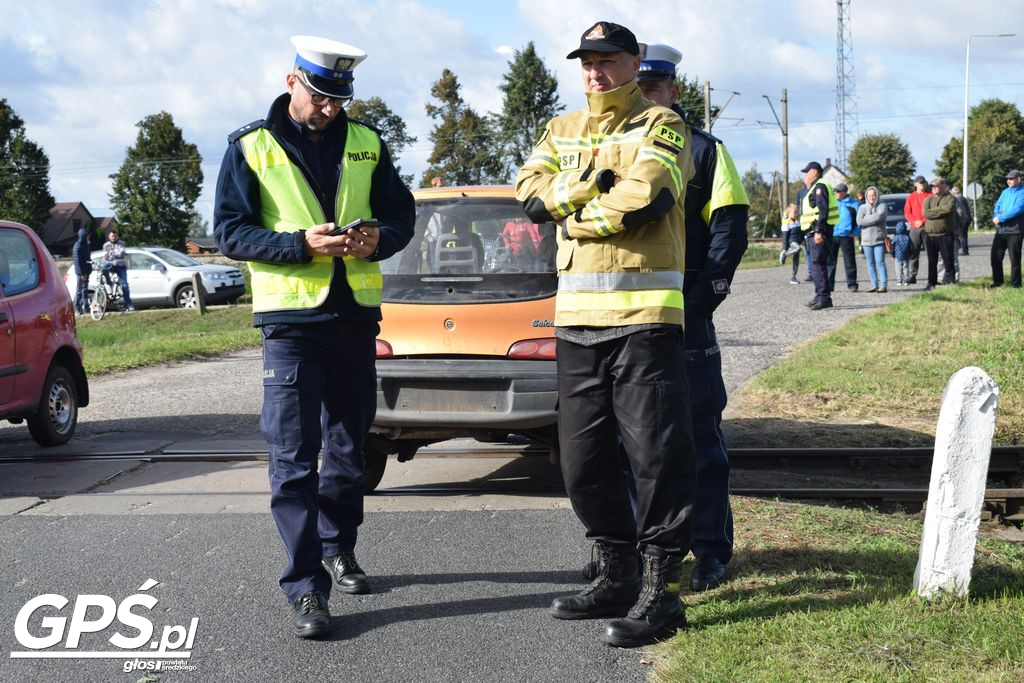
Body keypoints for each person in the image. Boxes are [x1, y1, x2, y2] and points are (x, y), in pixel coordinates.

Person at [213, 35, 414, 638]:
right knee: (294, 461)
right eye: (320, 96)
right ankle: (305, 587)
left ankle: (338, 546)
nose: (331, 109)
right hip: (291, 326)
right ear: (291, 80)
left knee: (350, 452)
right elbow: (229, 233)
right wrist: (299, 246)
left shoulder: (368, 142)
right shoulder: (249, 146)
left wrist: (379, 238)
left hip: (354, 320)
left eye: (339, 99)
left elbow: (402, 215)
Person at [515, 21, 697, 649]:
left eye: (609, 60)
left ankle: (661, 589)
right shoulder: (561, 129)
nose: (596, 72)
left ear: (634, 61)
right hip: (576, 322)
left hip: (645, 320)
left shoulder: (663, 125)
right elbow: (529, 198)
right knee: (582, 460)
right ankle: (615, 571)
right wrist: (590, 186)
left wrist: (575, 219)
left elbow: (647, 196)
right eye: (587, 62)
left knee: (656, 458)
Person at [635, 42, 749, 593]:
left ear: (674, 92)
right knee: (634, 444)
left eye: (654, 88)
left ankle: (710, 552)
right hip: (628, 317)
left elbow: (730, 226)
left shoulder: (707, 150)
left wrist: (705, 297)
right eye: (639, 88)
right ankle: (642, 555)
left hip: (685, 317)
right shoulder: (612, 146)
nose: (646, 97)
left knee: (700, 437)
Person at [799, 161, 839, 310]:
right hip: (814, 231)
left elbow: (823, 210)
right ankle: (819, 296)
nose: (805, 175)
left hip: (819, 231)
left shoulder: (820, 186)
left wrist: (819, 231)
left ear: (814, 172)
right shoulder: (815, 187)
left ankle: (824, 298)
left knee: (818, 264)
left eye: (807, 172)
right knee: (816, 264)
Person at [990, 169, 1024, 288]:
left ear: (1018, 179)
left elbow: (1017, 209)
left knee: (1015, 260)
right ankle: (997, 282)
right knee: (995, 257)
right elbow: (997, 206)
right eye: (1007, 179)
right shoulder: (1005, 192)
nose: (1008, 181)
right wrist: (996, 216)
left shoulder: (1022, 192)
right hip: (1001, 230)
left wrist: (1001, 217)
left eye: (1011, 179)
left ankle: (1015, 284)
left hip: (1015, 230)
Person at [921, 177, 956, 291]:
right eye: (932, 186)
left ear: (943, 186)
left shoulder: (950, 198)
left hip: (945, 234)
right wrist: (939, 211)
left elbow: (948, 210)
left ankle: (950, 280)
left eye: (936, 186)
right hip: (930, 235)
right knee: (932, 261)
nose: (934, 188)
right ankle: (931, 282)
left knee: (948, 259)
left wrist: (933, 211)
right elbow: (926, 213)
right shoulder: (928, 199)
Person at [828, 182, 859, 292]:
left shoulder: (853, 203)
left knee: (849, 261)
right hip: (832, 235)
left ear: (845, 192)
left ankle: (852, 285)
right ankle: (829, 285)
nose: (836, 193)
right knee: (830, 261)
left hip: (846, 235)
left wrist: (854, 232)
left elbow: (858, 220)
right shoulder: (832, 203)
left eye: (838, 191)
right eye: (835, 191)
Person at [857, 187, 888, 293]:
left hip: (879, 239)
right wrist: (872, 219)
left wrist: (866, 219)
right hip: (866, 241)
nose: (872, 197)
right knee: (870, 264)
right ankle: (874, 285)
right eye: (869, 195)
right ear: (866, 196)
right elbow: (859, 221)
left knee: (880, 262)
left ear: (877, 195)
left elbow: (879, 217)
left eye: (873, 195)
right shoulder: (862, 208)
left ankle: (883, 285)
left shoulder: (882, 206)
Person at [902, 175, 930, 285]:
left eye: (923, 182)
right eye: (919, 182)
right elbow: (907, 212)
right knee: (913, 252)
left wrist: (922, 221)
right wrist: (914, 222)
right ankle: (912, 275)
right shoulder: (911, 197)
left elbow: (931, 211)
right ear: (915, 184)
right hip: (915, 228)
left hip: (927, 227)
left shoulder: (930, 196)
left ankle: (932, 275)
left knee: (931, 253)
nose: (921, 184)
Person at [100, 230, 134, 312]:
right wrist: (114, 254)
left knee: (125, 285)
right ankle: (109, 282)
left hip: (120, 266)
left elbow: (121, 253)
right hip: (110, 266)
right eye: (112, 236)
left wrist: (111, 255)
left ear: (117, 236)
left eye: (115, 236)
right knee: (103, 267)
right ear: (109, 237)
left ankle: (128, 305)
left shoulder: (122, 243)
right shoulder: (106, 245)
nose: (114, 237)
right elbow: (105, 256)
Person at [71, 226, 92, 314]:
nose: (89, 236)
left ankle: (86, 308)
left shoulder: (86, 244)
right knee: (79, 291)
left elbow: (88, 259)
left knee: (85, 290)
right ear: (83, 235)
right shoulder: (78, 246)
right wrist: (82, 273)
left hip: (86, 271)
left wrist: (89, 270)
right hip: (80, 272)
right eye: (87, 235)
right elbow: (77, 262)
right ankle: (77, 308)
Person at [780, 203, 803, 284]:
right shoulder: (786, 222)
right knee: (798, 248)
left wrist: (803, 239)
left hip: (798, 241)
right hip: (792, 242)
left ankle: (793, 277)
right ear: (788, 214)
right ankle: (785, 254)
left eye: (797, 212)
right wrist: (784, 249)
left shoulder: (798, 221)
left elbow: (801, 232)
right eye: (795, 212)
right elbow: (785, 236)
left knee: (796, 260)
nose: (797, 214)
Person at [951, 185, 971, 255]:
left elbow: (960, 211)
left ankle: (964, 250)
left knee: (962, 235)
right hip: (967, 218)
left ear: (953, 193)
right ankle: (965, 250)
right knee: (964, 235)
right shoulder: (963, 198)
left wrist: (959, 220)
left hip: (963, 219)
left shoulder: (957, 199)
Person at [892, 221, 913, 286]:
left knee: (898, 268)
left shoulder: (895, 238)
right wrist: (911, 253)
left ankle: (899, 281)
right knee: (906, 267)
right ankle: (906, 280)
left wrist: (893, 255)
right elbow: (911, 247)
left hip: (897, 255)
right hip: (906, 255)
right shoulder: (907, 238)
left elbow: (892, 247)